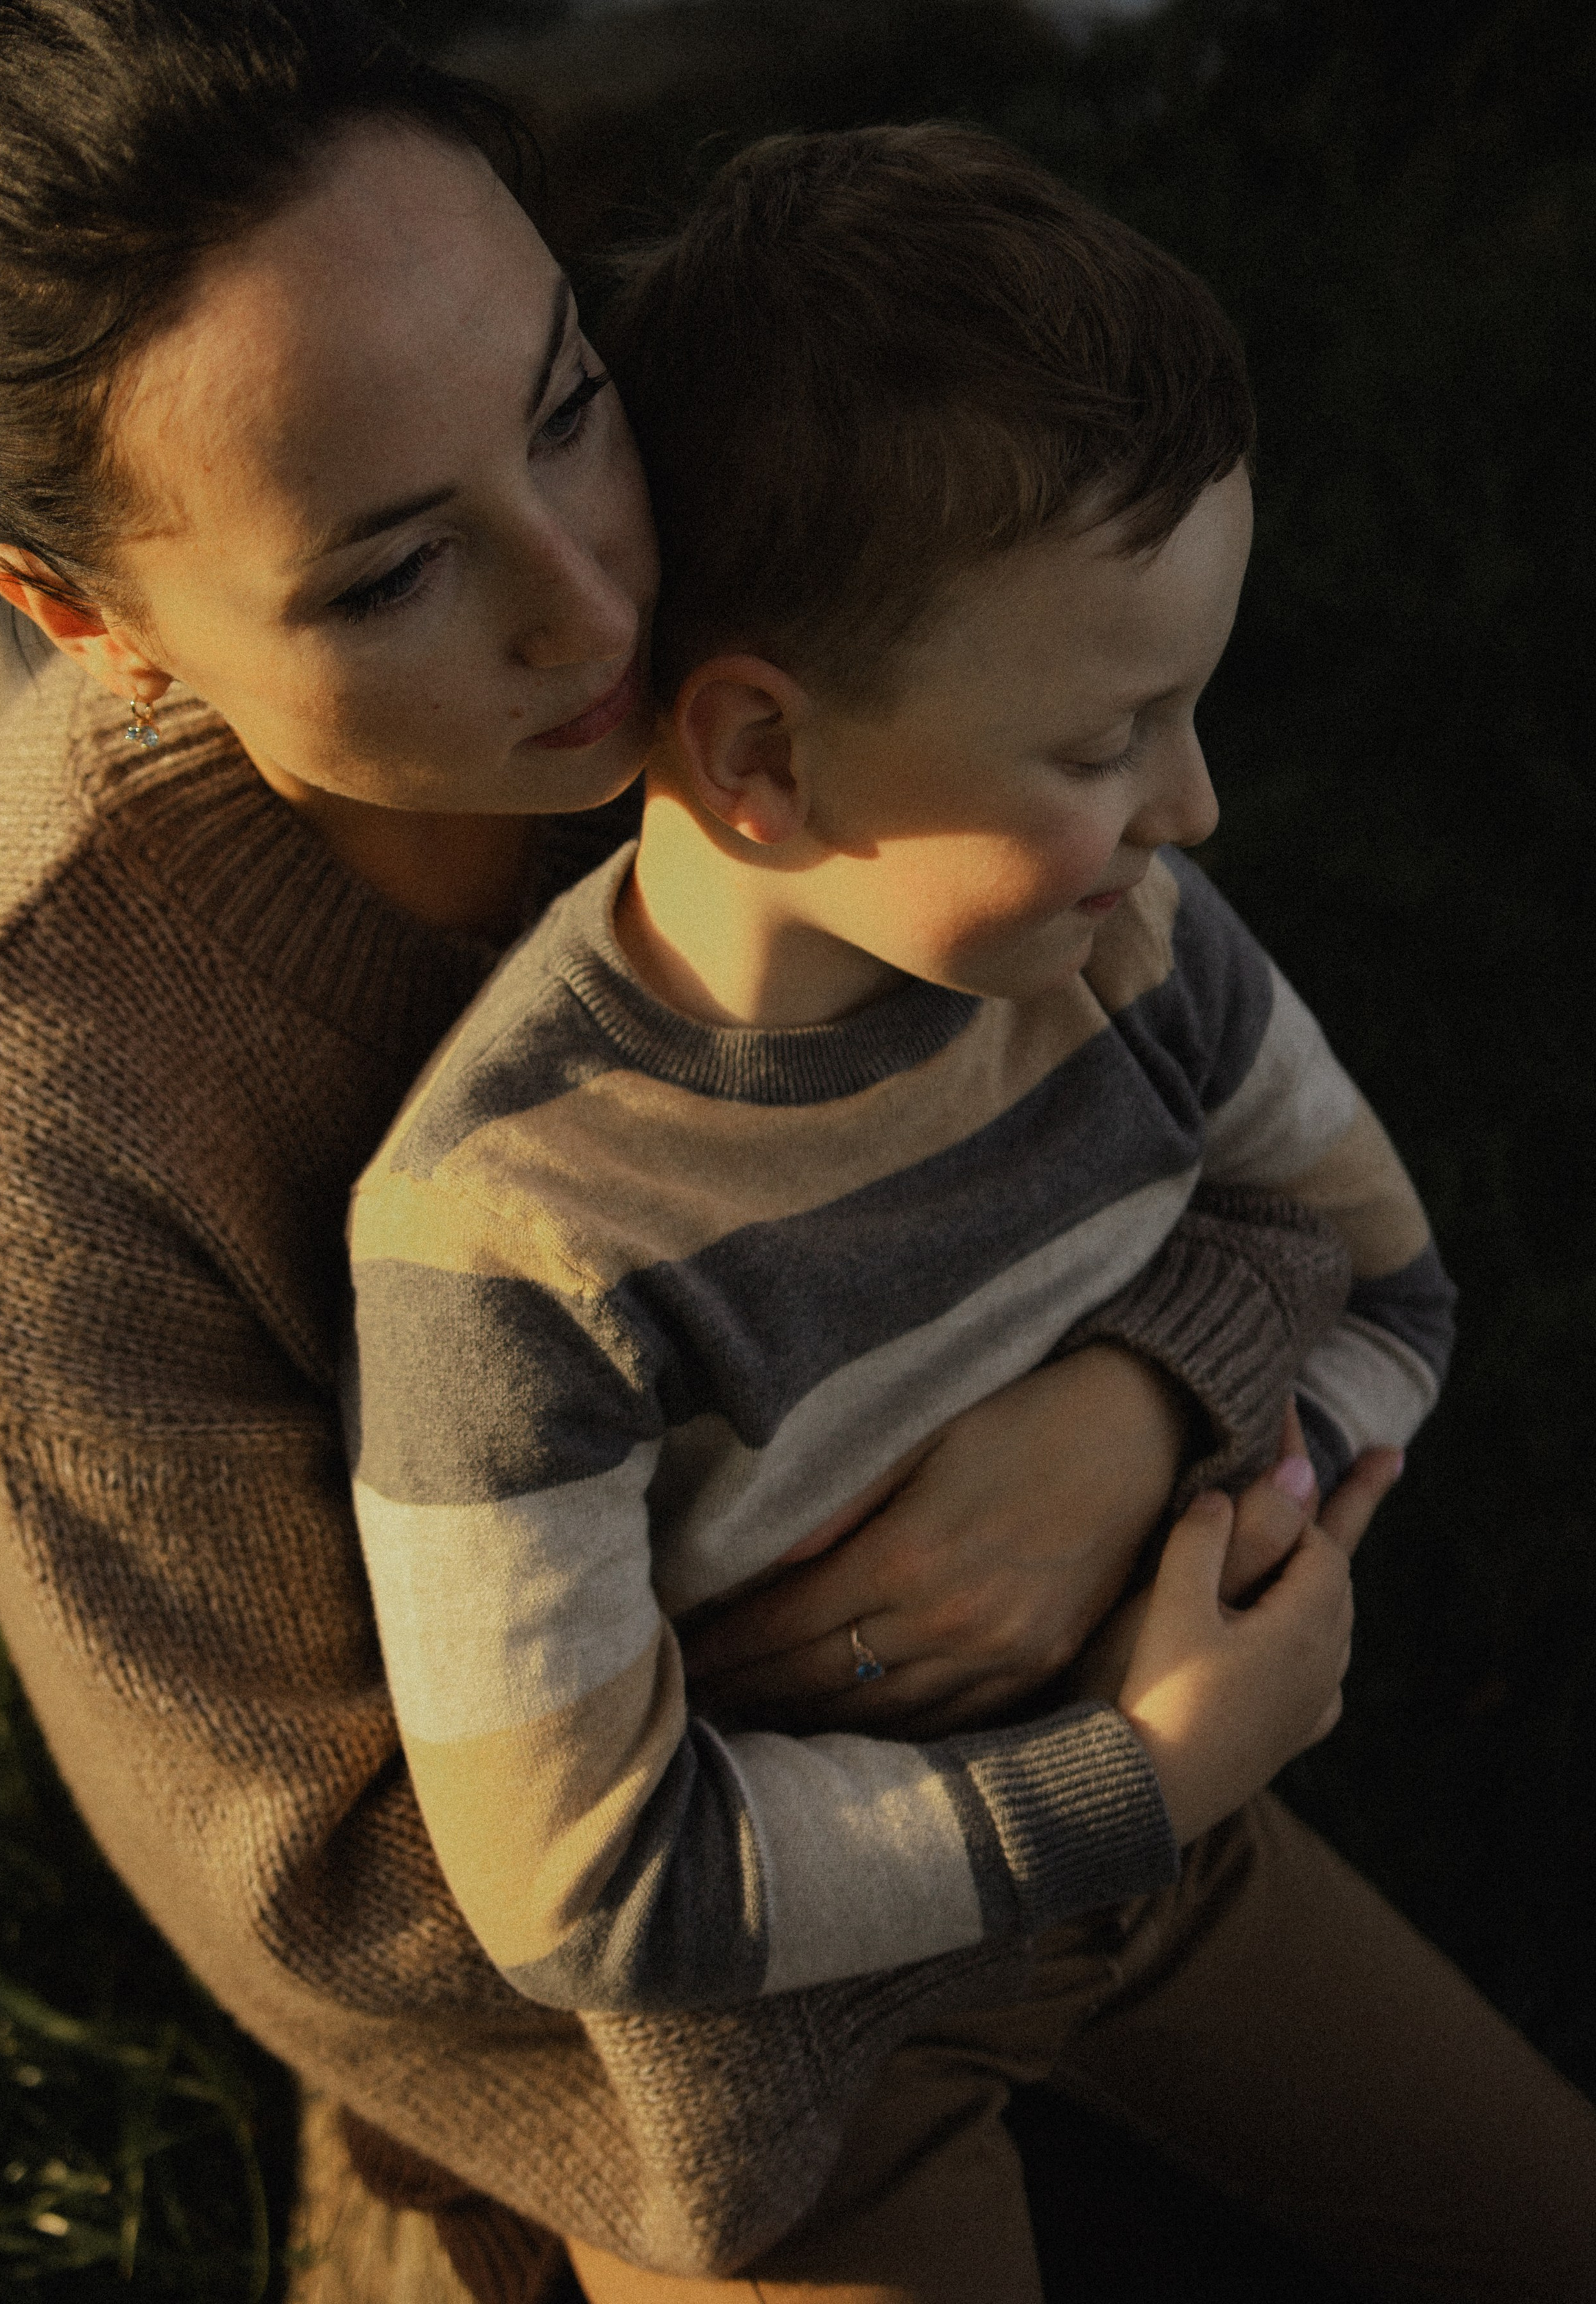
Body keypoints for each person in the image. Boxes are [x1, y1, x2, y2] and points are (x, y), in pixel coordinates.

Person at [0, 0, 1377, 2304]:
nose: (596, 615)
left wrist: (1143, 1413)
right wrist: (1062, 1770)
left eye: (562, 397)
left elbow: (1155, 1029)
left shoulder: (742, 501)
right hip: (682, 2048)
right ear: (85, 618)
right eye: (390, 572)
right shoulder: (38, 1089)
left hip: (1101, 1741)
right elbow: (320, 1883)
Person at [348, 128, 1596, 2301]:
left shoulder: (1135, 946)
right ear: (767, 764)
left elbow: (1388, 1276)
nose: (1196, 809)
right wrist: (1141, 1762)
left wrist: (1195, 1490)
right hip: (810, 2086)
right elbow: (589, 1885)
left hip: (1182, 1866)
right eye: (1114, 738)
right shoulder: (507, 1243)